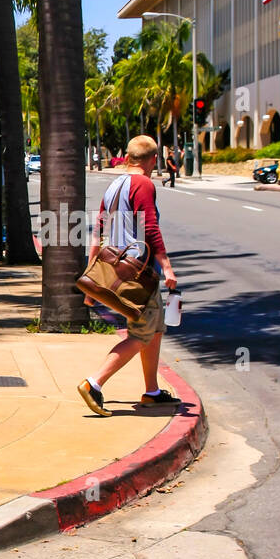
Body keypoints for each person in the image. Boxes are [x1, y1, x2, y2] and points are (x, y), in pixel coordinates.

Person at [77, 136, 181, 417]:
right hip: (140, 273)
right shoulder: (144, 184)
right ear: (152, 160)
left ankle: (152, 391)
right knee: (142, 333)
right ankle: (94, 383)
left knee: (154, 329)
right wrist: (168, 267)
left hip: (118, 270)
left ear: (127, 158)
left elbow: (97, 231)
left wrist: (91, 279)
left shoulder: (113, 186)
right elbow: (150, 228)